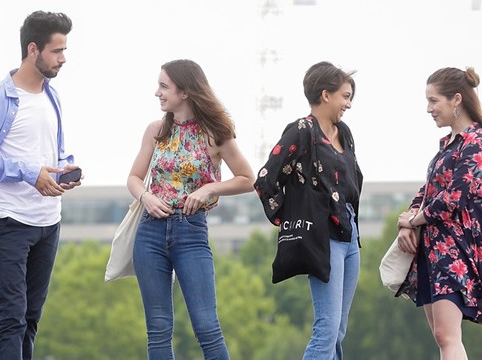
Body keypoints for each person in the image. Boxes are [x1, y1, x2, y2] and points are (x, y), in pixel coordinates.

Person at [0, 10, 77, 360]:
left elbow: (51, 151)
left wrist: (66, 168)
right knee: (11, 318)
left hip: (48, 221)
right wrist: (29, 174)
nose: (63, 59)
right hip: (10, 220)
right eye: (57, 51)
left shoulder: (52, 97)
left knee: (31, 318)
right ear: (33, 49)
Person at [126, 59, 255, 360]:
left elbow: (248, 179)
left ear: (184, 92)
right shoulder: (155, 131)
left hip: (191, 232)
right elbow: (133, 178)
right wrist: (146, 197)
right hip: (150, 233)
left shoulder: (216, 134)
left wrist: (210, 188)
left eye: (163, 86)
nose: (157, 92)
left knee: (207, 327)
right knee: (158, 330)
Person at [252, 61, 363, 360]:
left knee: (338, 329)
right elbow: (265, 180)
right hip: (323, 236)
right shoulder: (302, 130)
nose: (348, 104)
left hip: (349, 236)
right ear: (325, 95)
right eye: (345, 96)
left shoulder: (345, 133)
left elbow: (352, 182)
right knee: (326, 328)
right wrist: (293, 221)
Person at [395, 66, 482, 360]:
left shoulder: (477, 141)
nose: (429, 109)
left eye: (434, 101)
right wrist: (407, 221)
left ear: (456, 99)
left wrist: (414, 219)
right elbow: (429, 191)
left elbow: (454, 197)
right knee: (442, 336)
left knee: (447, 336)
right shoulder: (449, 145)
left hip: (457, 249)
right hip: (434, 248)